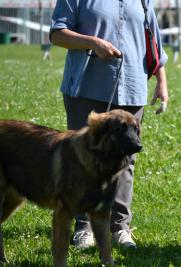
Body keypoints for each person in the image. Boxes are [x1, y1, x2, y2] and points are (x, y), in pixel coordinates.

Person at [50, 0, 168, 249]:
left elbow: (153, 40)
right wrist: (93, 43)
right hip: (87, 86)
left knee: (126, 160)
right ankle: (84, 227)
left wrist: (161, 81)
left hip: (133, 85)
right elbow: (57, 34)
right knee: (83, 157)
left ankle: (120, 227)